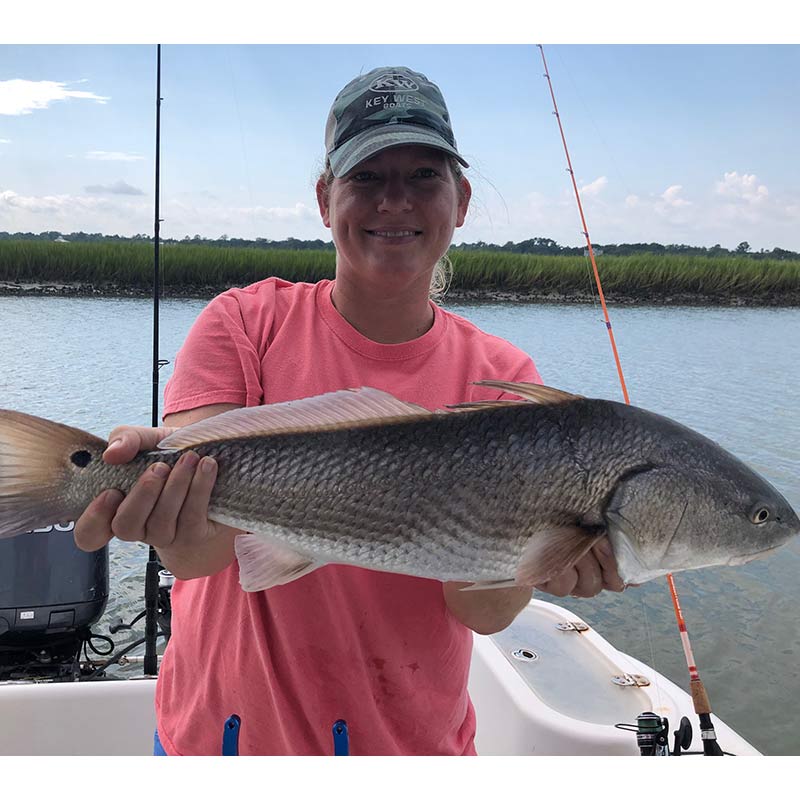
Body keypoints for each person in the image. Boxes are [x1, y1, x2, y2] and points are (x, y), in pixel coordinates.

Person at [74, 66, 624, 756]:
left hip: (409, 746)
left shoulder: (504, 382)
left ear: (461, 202)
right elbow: (201, 554)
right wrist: (158, 504)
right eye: (367, 177)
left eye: (424, 175)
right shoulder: (241, 324)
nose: (395, 201)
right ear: (324, 198)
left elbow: (479, 611)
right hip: (226, 743)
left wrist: (547, 563)